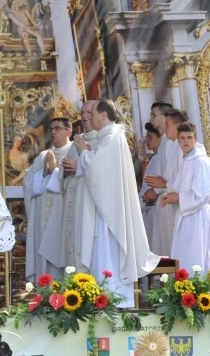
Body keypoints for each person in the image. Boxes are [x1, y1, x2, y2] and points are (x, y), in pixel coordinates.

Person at [74, 100, 159, 307]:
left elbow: (94, 168)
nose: (89, 117)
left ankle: (115, 301)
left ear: (104, 115)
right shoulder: (108, 138)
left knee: (108, 253)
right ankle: (104, 298)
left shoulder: (113, 138)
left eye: (93, 113)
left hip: (110, 213)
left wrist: (83, 151)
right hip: (105, 208)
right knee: (102, 254)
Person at [24, 117, 73, 280]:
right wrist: (43, 173)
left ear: (68, 131)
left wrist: (54, 171)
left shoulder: (74, 152)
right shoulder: (43, 156)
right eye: (51, 129)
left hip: (65, 217)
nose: (53, 132)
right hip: (44, 219)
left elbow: (75, 184)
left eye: (57, 128)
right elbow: (28, 181)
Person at [164, 122, 210, 272]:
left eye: (189, 137)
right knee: (184, 258)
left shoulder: (201, 161)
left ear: (196, 139)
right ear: (178, 140)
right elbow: (179, 186)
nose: (186, 141)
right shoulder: (187, 160)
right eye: (182, 138)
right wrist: (170, 195)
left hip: (197, 217)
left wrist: (178, 197)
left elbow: (202, 194)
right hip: (186, 216)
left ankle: (196, 287)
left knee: (195, 259)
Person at [59, 100, 99, 271]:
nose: (84, 116)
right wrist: (65, 172)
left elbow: (102, 172)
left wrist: (81, 167)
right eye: (82, 113)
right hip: (74, 204)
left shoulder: (103, 140)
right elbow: (62, 174)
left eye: (89, 112)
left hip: (92, 205)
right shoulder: (77, 141)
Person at [145, 108, 188, 255]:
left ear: (178, 125)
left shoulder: (183, 148)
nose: (164, 128)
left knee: (176, 251)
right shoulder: (170, 143)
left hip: (177, 204)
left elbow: (184, 179)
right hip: (167, 201)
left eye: (167, 124)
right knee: (165, 249)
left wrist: (162, 185)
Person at [139, 123, 163, 248]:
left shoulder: (157, 159)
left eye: (150, 137)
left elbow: (148, 190)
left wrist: (137, 208)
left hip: (154, 209)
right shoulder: (155, 158)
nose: (147, 140)